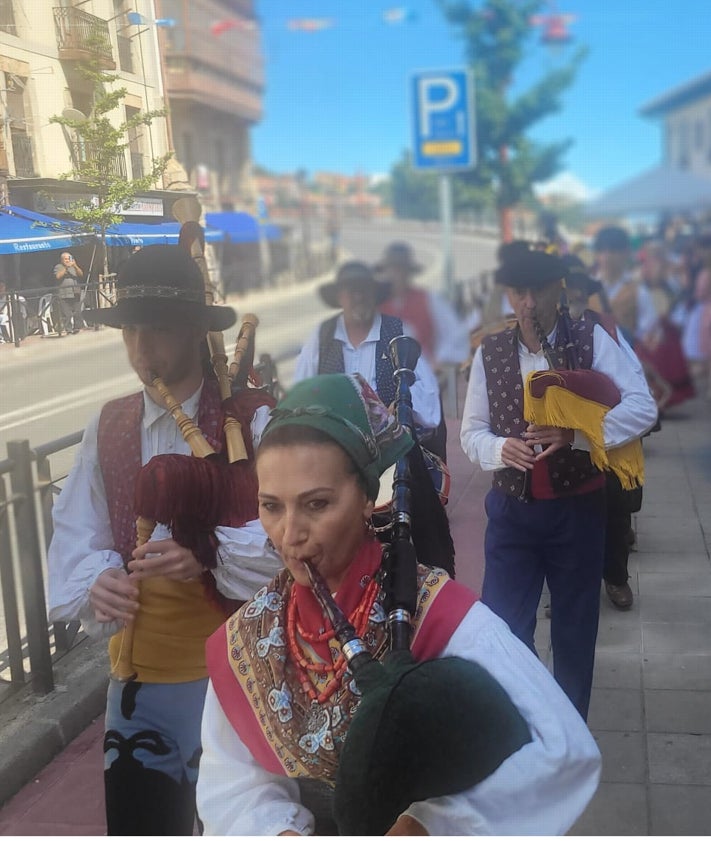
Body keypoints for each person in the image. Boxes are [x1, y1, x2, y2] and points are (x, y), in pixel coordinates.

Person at [197, 372, 601, 835]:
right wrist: (276, 830)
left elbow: (562, 747)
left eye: (317, 504)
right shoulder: (252, 635)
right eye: (272, 506)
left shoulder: (438, 616)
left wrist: (427, 826)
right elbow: (232, 782)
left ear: (369, 497)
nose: (290, 535)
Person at [47, 245, 282, 835]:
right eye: (129, 329)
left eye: (157, 329)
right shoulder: (111, 423)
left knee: (236, 820)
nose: (140, 349)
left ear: (197, 332)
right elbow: (80, 528)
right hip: (140, 680)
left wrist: (207, 557)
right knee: (142, 818)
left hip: (238, 669)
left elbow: (291, 542)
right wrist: (97, 579)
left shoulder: (250, 419)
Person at [460, 245, 657, 718]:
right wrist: (497, 449)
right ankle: (520, 722)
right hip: (511, 510)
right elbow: (471, 432)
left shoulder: (592, 337)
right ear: (508, 295)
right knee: (505, 626)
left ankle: (569, 726)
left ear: (558, 290)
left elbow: (643, 407)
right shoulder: (490, 350)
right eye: (518, 292)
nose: (528, 304)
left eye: (538, 291)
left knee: (574, 626)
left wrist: (580, 435)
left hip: (578, 508)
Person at [293, 260, 442, 440]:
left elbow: (428, 392)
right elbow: (300, 393)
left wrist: (402, 403)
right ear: (340, 297)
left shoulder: (398, 331)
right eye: (351, 291)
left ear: (375, 295)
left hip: (391, 445)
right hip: (336, 443)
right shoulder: (322, 336)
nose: (359, 297)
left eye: (364, 290)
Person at [375, 241, 469, 367]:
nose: (397, 275)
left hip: (424, 376)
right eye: (393, 269)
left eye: (402, 270)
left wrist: (439, 360)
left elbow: (456, 334)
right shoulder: (376, 306)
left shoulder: (429, 299)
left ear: (409, 272)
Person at [52, 251, 84, 334]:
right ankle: (68, 330)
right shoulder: (58, 267)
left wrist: (75, 265)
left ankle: (77, 328)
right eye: (65, 259)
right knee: (67, 314)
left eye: (69, 259)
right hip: (64, 294)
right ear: (62, 260)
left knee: (77, 312)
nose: (67, 260)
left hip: (75, 293)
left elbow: (81, 274)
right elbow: (57, 276)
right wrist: (66, 268)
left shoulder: (73, 267)